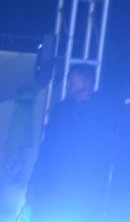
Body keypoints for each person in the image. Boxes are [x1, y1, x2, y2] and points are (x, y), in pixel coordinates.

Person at [26, 65, 114, 222]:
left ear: (87, 83)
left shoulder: (102, 112)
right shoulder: (61, 110)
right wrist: (34, 181)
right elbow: (47, 147)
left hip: (83, 191)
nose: (68, 85)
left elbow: (103, 154)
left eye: (72, 82)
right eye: (68, 81)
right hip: (52, 187)